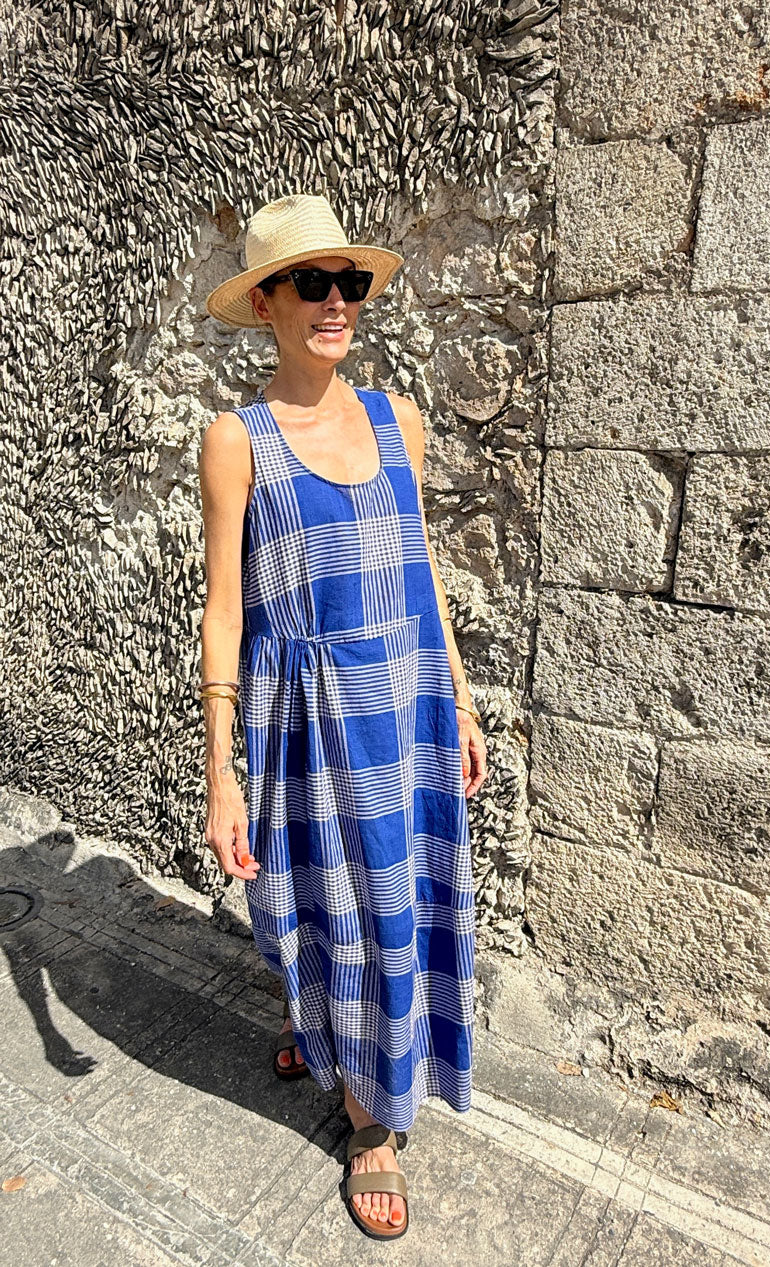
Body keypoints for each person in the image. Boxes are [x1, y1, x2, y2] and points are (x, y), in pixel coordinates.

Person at [199, 192, 487, 1240]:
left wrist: (459, 697)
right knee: (325, 900)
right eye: (311, 283)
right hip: (304, 719)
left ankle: (357, 1082)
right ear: (265, 303)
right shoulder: (236, 440)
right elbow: (223, 609)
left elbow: (420, 568)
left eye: (349, 282)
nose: (336, 302)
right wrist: (220, 771)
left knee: (388, 904)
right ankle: (363, 1112)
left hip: (402, 704)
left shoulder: (396, 419)